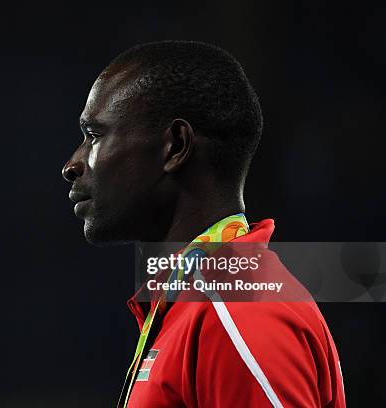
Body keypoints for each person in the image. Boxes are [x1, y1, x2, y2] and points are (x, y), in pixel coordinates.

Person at [61, 41, 346, 407]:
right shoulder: (200, 302)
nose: (72, 165)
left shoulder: (236, 312)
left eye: (95, 135)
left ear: (176, 145)